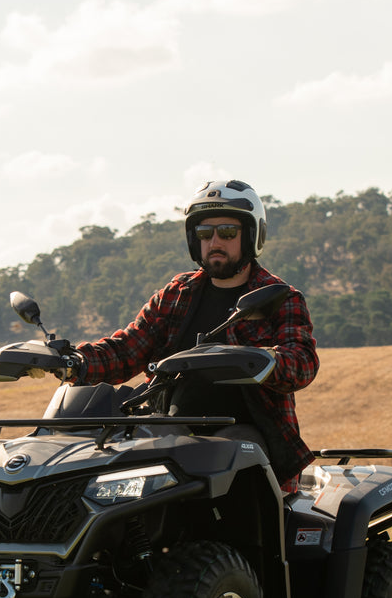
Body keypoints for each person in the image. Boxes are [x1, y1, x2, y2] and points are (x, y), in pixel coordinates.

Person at [67, 179, 319, 492]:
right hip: (170, 435)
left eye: (227, 232)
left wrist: (261, 360)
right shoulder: (177, 293)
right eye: (204, 233)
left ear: (252, 235)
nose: (215, 241)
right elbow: (126, 350)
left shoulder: (278, 297)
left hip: (247, 439)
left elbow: (303, 362)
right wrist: (71, 361)